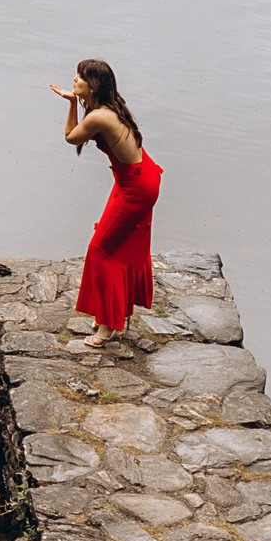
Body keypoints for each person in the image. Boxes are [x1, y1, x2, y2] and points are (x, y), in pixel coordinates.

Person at [52, 59, 161, 348]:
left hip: (135, 187)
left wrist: (71, 103)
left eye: (80, 77)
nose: (74, 80)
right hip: (137, 178)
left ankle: (108, 327)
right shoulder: (106, 109)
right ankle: (112, 315)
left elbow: (69, 137)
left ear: (94, 85)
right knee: (117, 245)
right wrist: (76, 99)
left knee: (100, 250)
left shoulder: (99, 117)